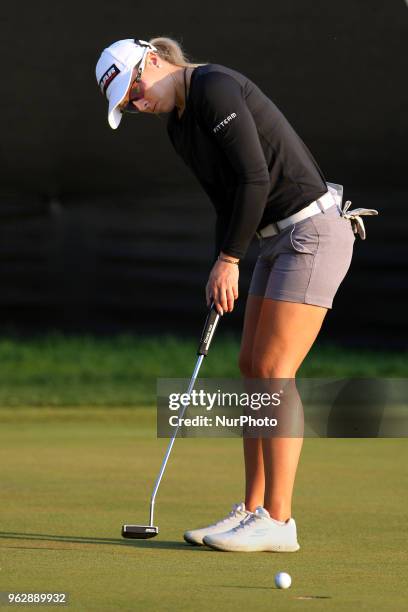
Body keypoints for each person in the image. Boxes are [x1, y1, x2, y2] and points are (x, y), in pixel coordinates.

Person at [95, 37, 378, 552]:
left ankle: (281, 520)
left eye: (134, 89)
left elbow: (254, 176)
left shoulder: (213, 86)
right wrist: (220, 264)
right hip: (272, 242)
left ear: (152, 61)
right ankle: (251, 510)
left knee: (274, 371)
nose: (137, 105)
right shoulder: (180, 127)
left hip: (313, 232)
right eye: (128, 105)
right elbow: (226, 200)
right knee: (251, 367)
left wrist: (230, 260)